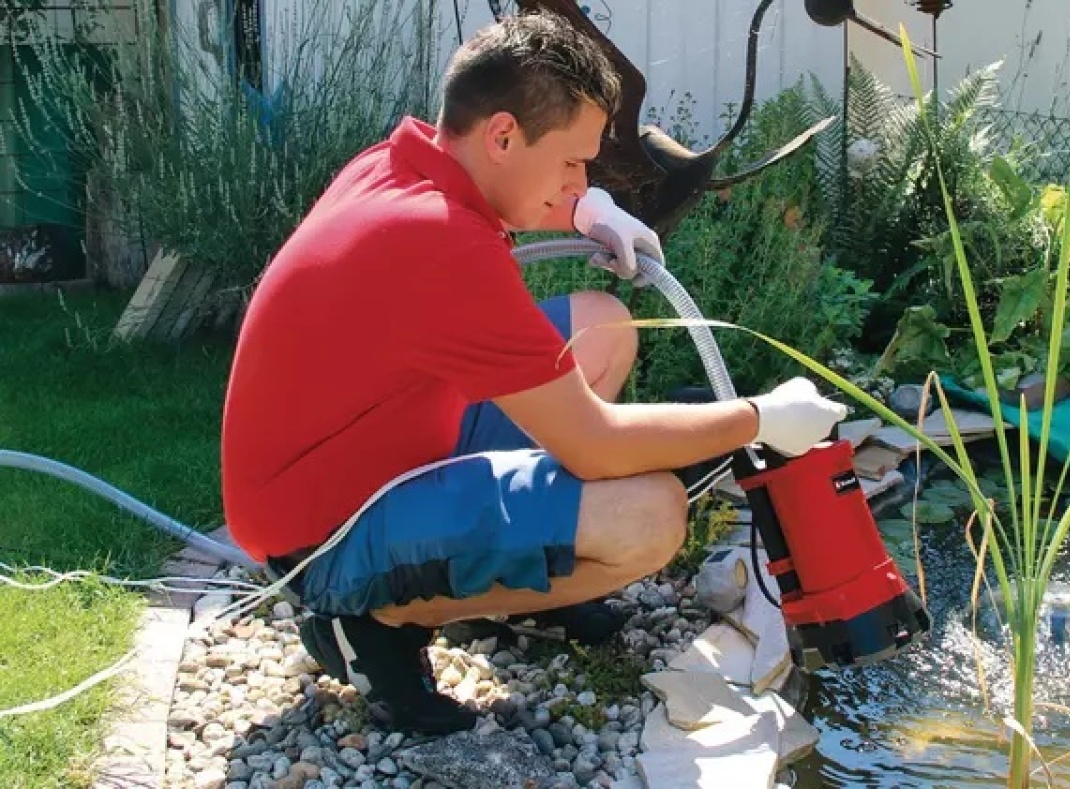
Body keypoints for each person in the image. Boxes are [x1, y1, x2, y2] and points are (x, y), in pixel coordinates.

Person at [219, 10, 849, 735]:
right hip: (324, 535)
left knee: (603, 327)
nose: (581, 180)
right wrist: (759, 418)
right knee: (649, 516)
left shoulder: (397, 164)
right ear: (502, 136)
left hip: (370, 448)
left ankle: (514, 585)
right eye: (574, 163)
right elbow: (597, 445)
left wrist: (586, 212)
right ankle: (372, 621)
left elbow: (503, 198)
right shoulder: (443, 245)